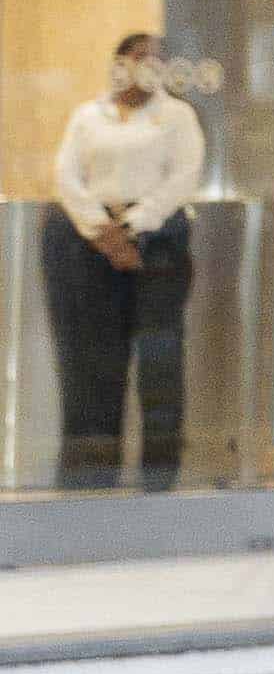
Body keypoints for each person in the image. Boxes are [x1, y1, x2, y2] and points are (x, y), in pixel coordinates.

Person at [44, 32, 205, 488]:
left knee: (159, 364)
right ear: (118, 64)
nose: (145, 68)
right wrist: (103, 232)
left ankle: (158, 480)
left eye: (155, 60)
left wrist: (134, 227)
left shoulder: (177, 117)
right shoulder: (86, 117)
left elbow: (182, 178)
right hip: (91, 246)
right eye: (137, 59)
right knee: (93, 364)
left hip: (157, 248)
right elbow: (68, 177)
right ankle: (89, 479)